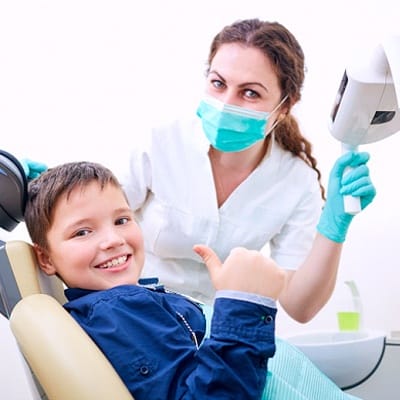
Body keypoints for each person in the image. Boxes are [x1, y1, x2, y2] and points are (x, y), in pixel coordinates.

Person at [122, 18, 376, 323]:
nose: (227, 103)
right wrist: (50, 197)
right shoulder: (160, 143)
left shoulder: (295, 181)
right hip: (136, 315)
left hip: (216, 333)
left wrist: (334, 226)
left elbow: (300, 305)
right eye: (218, 83)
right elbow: (91, 225)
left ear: (284, 106)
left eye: (250, 93)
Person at [23, 161, 287, 400]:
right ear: (45, 258)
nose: (114, 239)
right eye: (82, 232)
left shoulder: (117, 306)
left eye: (121, 219)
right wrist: (244, 305)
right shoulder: (120, 311)